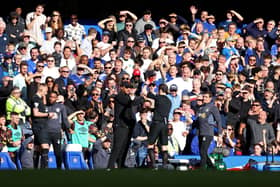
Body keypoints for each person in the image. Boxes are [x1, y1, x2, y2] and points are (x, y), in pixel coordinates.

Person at [142, 83, 172, 169]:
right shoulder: (169, 101)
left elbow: (144, 93)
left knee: (150, 145)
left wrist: (145, 85)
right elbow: (160, 109)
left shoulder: (158, 98)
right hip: (165, 124)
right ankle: (165, 165)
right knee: (164, 146)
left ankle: (153, 165)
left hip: (157, 123)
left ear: (160, 90)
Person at [107, 81, 136, 169]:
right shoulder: (120, 96)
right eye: (126, 87)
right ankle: (110, 166)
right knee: (117, 147)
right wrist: (133, 96)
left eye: (129, 88)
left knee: (124, 147)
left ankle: (121, 164)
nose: (128, 89)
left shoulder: (127, 97)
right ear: (121, 87)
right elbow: (130, 102)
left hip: (127, 126)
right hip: (120, 125)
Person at [196, 91, 223, 169]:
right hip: (200, 132)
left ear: (210, 98)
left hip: (208, 132)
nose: (204, 98)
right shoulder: (201, 108)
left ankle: (202, 170)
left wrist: (220, 134)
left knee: (203, 151)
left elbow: (218, 120)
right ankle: (212, 167)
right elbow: (199, 119)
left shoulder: (212, 107)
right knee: (202, 153)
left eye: (206, 97)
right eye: (203, 97)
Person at [31, 83, 55, 168]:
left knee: (37, 148)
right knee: (45, 147)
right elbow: (36, 113)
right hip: (39, 126)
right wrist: (48, 114)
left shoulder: (40, 99)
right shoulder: (35, 99)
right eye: (46, 91)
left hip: (40, 126)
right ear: (41, 90)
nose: (46, 93)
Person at [46, 91, 72, 168]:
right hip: (45, 132)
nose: (51, 98)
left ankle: (59, 168)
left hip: (56, 132)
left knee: (57, 152)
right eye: (50, 96)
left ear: (56, 98)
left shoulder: (61, 107)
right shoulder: (44, 106)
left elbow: (65, 119)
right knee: (44, 152)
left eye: (53, 97)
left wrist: (68, 128)